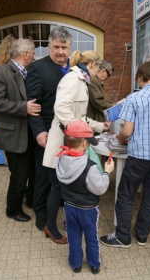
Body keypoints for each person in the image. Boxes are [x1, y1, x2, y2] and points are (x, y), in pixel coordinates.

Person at [100, 61, 150, 248]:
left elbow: (127, 131)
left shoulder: (134, 99)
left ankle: (123, 236)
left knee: (126, 193)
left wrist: (119, 137)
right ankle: (142, 235)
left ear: (140, 78)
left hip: (139, 155)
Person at [42, 50, 111, 243]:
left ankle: (66, 220)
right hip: (65, 140)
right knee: (57, 186)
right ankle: (50, 226)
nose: (100, 70)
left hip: (72, 139)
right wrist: (77, 133)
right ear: (92, 65)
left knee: (68, 184)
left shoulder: (82, 80)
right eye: (99, 66)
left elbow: (81, 117)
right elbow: (61, 109)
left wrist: (99, 126)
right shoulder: (73, 79)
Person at [0, 38, 41, 222]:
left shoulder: (30, 72)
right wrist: (23, 107)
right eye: (33, 53)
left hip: (30, 133)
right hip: (12, 134)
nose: (34, 57)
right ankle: (13, 209)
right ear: (25, 54)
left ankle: (31, 200)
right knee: (19, 175)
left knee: (32, 171)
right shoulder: (0, 72)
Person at [25, 26, 72, 231]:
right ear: (49, 47)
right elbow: (32, 104)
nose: (60, 51)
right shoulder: (37, 68)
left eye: (64, 47)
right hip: (47, 132)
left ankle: (58, 204)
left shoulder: (72, 69)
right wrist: (40, 132)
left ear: (69, 48)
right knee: (43, 175)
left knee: (63, 172)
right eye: (56, 47)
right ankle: (41, 216)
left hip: (69, 133)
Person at [56, 120, 115, 274]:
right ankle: (94, 264)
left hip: (69, 206)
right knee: (91, 238)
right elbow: (100, 188)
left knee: (73, 236)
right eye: (89, 142)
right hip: (88, 210)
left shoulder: (61, 158)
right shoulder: (90, 167)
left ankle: (75, 264)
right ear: (83, 143)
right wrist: (107, 172)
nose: (89, 144)